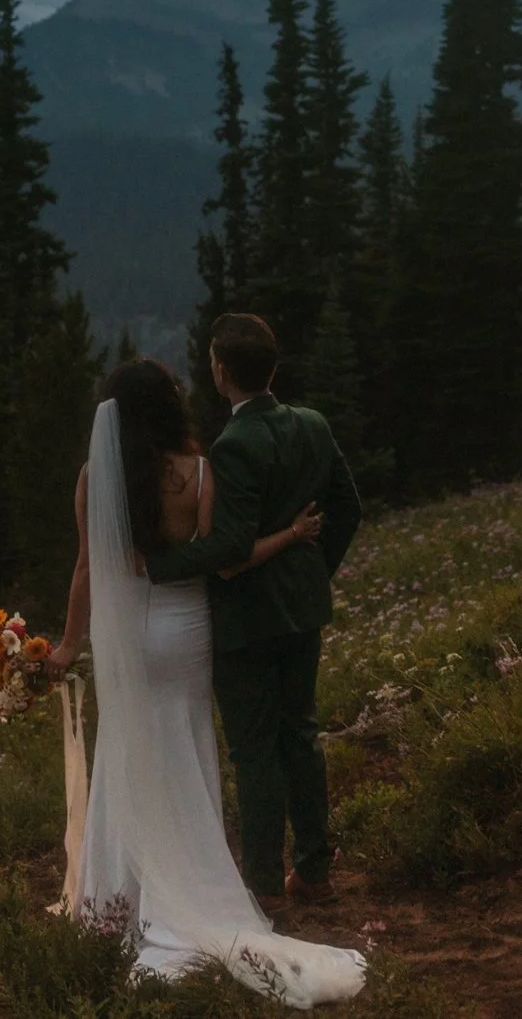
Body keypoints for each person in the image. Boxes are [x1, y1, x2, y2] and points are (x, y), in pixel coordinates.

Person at [44, 356, 365, 1005]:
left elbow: (86, 570)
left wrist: (68, 643)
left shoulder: (95, 476)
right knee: (187, 744)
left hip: (125, 633)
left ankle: (116, 896)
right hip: (186, 627)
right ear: (168, 406)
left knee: (126, 748)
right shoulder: (197, 471)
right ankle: (192, 877)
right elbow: (218, 557)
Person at [144, 314, 362, 910]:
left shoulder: (234, 445)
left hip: (245, 622)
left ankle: (264, 887)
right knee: (302, 735)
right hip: (303, 610)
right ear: (272, 367)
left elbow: (230, 545)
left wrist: (152, 569)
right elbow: (349, 506)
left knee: (254, 750)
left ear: (220, 372)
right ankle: (314, 872)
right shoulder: (312, 425)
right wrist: (314, 572)